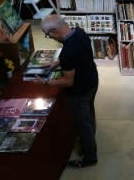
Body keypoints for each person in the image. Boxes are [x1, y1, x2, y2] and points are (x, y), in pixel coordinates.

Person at [39, 15, 99, 168]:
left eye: (48, 35)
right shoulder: (80, 32)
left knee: (82, 124)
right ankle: (91, 136)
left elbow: (68, 81)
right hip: (92, 80)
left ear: (54, 31)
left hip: (80, 90)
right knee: (89, 111)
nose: (50, 38)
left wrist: (45, 82)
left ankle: (89, 157)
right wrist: (58, 62)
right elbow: (79, 55)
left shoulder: (68, 50)